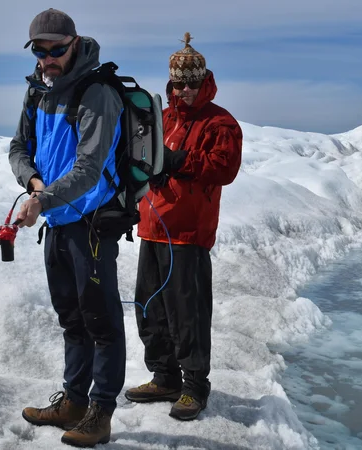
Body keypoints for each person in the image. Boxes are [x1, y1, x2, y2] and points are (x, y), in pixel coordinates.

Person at [8, 8, 125, 448]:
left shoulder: (97, 93)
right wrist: (33, 182)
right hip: (55, 220)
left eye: (57, 49)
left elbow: (90, 169)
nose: (49, 58)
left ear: (74, 43)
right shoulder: (39, 91)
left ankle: (101, 412)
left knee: (102, 321)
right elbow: (19, 147)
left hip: (90, 224)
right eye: (41, 50)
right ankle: (75, 401)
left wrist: (41, 199)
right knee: (71, 319)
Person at [124, 32, 243, 421]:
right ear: (172, 82)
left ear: (204, 78)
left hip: (188, 233)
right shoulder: (161, 116)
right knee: (150, 307)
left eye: (193, 82)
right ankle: (164, 377)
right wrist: (150, 172)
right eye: (180, 83)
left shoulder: (220, 122)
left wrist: (179, 163)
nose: (187, 90)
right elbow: (145, 154)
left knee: (187, 312)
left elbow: (224, 169)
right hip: (153, 224)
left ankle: (194, 386)